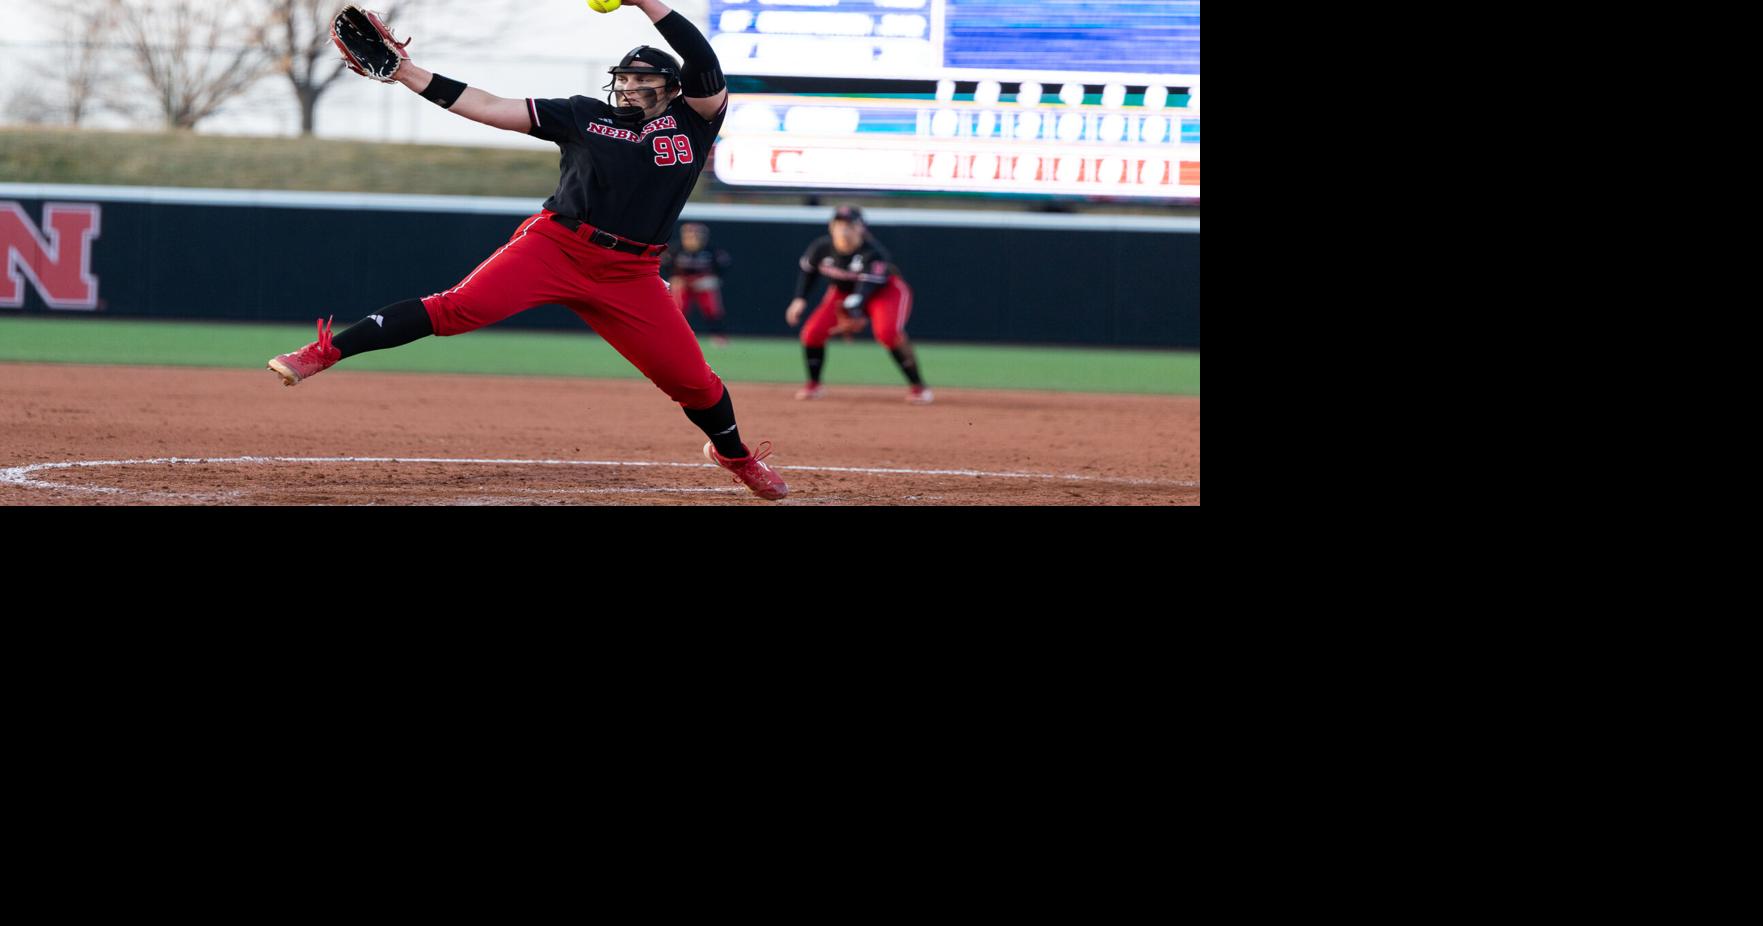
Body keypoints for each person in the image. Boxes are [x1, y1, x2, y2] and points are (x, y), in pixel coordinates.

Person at [266, 0, 787, 500]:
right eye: (624, 79)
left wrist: (646, 3)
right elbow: (490, 106)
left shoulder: (695, 120)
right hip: (556, 246)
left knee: (694, 383)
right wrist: (409, 73)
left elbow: (704, 59)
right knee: (454, 309)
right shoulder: (582, 115)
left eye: (644, 79)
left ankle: (736, 457)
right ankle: (325, 351)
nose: (630, 87)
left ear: (673, 87)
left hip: (631, 272)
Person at [785, 205, 931, 405]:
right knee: (812, 333)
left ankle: (918, 387)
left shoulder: (873, 253)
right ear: (831, 226)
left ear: (861, 228)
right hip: (843, 293)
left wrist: (855, 314)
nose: (844, 229)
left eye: (850, 225)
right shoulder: (821, 248)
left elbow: (864, 291)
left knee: (887, 333)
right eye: (839, 224)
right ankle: (814, 384)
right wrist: (799, 299)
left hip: (885, 292)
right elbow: (808, 272)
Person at [661, 222, 731, 347]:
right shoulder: (675, 250)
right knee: (678, 309)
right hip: (682, 283)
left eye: (697, 235)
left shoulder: (712, 251)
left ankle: (719, 336)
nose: (693, 238)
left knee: (711, 308)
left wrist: (711, 279)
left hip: (703, 284)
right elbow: (667, 267)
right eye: (689, 235)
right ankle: (673, 336)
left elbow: (722, 268)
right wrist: (676, 279)